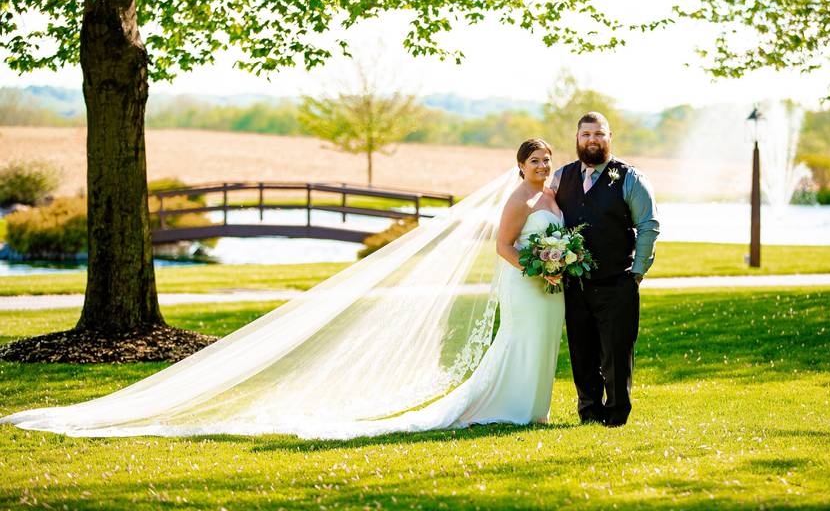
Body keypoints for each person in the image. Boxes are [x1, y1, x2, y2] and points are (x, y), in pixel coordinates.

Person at [1, 139, 568, 438]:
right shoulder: (519, 199)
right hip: (526, 284)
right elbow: (502, 246)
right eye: (534, 161)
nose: (542, 167)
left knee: (542, 345)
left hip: (550, 287)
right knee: (517, 342)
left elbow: (559, 235)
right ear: (518, 166)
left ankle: (532, 409)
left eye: (546, 160)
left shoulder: (553, 198)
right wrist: (536, 269)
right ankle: (508, 406)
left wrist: (561, 264)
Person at [551, 111, 659, 427]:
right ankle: (588, 412)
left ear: (609, 137)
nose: (592, 140)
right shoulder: (560, 178)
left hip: (617, 282)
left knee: (616, 353)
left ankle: (616, 414)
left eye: (599, 134)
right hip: (575, 285)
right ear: (577, 139)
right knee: (581, 351)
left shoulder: (631, 179)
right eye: (586, 134)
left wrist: (636, 273)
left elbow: (648, 227)